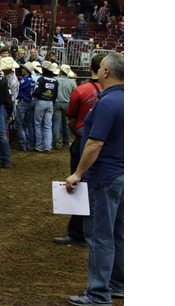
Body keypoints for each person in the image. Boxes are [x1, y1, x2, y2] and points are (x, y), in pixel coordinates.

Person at [64, 53, 124, 305]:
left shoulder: (108, 102)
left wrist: (77, 173)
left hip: (104, 176)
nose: (97, 71)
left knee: (100, 236)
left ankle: (98, 293)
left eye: (99, 68)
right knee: (119, 233)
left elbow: (94, 143)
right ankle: (118, 284)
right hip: (122, 173)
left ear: (107, 72)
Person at [54, 54, 105, 248]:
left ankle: (77, 232)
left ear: (90, 67)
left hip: (84, 139)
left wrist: (77, 135)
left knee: (78, 184)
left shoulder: (81, 90)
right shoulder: (118, 92)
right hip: (108, 143)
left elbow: (71, 121)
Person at [33, 61, 60, 153]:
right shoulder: (55, 81)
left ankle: (39, 146)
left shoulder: (41, 80)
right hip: (50, 103)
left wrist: (32, 93)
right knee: (48, 125)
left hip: (41, 102)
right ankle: (48, 147)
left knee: (38, 124)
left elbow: (37, 92)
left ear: (43, 69)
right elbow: (55, 94)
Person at [53, 64, 77, 149]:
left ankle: (57, 142)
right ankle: (66, 142)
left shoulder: (55, 80)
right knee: (66, 123)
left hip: (57, 102)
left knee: (56, 123)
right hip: (67, 103)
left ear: (60, 72)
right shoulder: (72, 82)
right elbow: (75, 94)